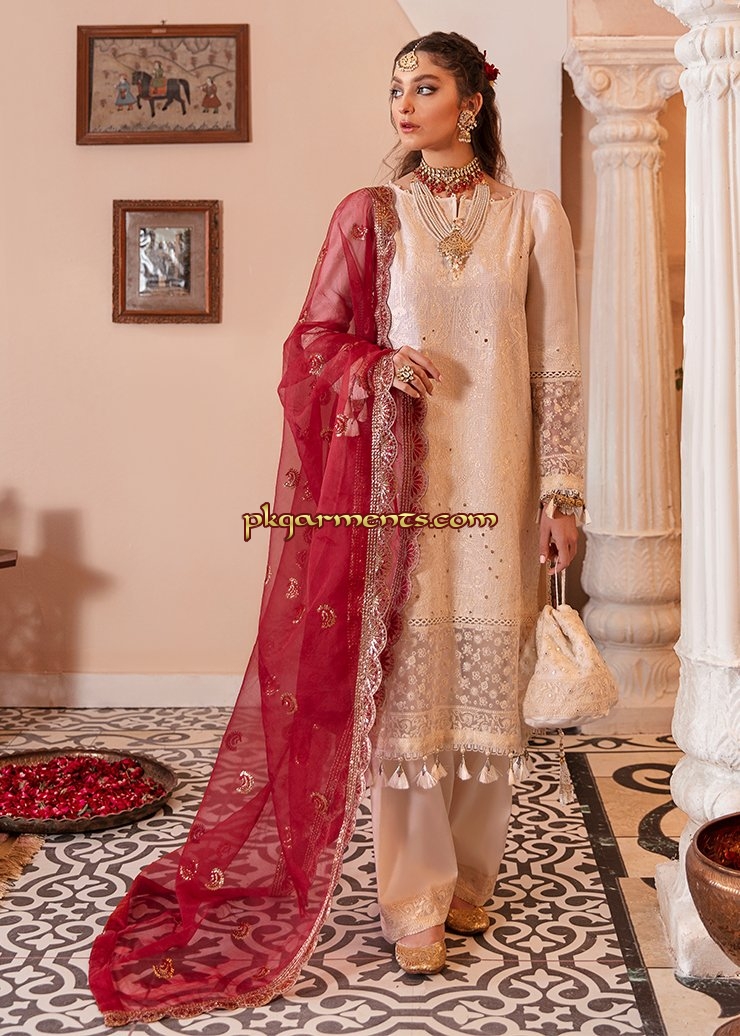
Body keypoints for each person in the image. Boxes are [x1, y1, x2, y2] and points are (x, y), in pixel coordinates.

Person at [88, 31, 584, 1025]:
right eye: (396, 87)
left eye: (424, 86)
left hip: (498, 483)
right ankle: (414, 899)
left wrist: (561, 494)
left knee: (486, 698)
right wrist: (377, 366)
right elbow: (311, 343)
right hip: (400, 491)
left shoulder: (533, 218)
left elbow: (558, 366)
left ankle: (471, 878)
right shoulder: (372, 215)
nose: (403, 102)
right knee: (407, 695)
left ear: (471, 103)